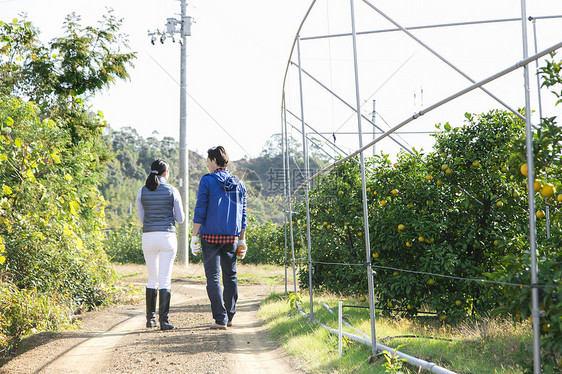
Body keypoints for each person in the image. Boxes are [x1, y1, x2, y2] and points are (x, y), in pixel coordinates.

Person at [191, 146, 247, 330]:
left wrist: (193, 236)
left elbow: (200, 209)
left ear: (214, 160)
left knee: (213, 277)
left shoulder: (207, 181)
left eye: (208, 160)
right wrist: (242, 239)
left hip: (209, 237)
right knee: (230, 276)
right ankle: (230, 316)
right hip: (231, 237)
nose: (207, 164)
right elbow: (243, 214)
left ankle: (220, 318)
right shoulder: (239, 183)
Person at [136, 158, 185, 330]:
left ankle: (150, 320)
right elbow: (180, 219)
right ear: (166, 173)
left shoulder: (141, 191)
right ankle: (164, 321)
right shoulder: (172, 191)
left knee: (152, 278)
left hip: (148, 236)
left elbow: (142, 219)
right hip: (167, 237)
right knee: (165, 279)